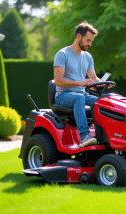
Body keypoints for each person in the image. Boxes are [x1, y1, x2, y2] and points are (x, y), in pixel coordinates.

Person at [53, 21, 100, 149]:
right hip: (63, 95)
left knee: (102, 101)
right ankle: (84, 136)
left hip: (81, 94)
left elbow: (93, 77)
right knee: (79, 97)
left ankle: (102, 135)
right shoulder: (62, 54)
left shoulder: (88, 57)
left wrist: (102, 83)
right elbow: (58, 81)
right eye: (88, 40)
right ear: (78, 36)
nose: (90, 44)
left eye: (91, 41)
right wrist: (81, 83)